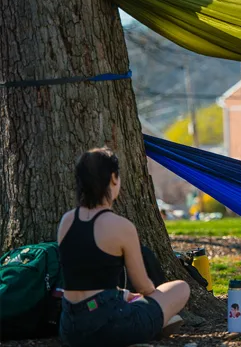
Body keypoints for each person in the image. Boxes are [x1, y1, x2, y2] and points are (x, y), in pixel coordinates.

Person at [57, 148, 190, 346]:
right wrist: (150, 295)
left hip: (70, 329)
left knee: (126, 297)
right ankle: (153, 323)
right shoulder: (121, 226)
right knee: (180, 288)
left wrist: (123, 294)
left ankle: (146, 318)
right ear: (113, 178)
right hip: (109, 326)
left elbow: (86, 279)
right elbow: (143, 285)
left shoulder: (66, 221)